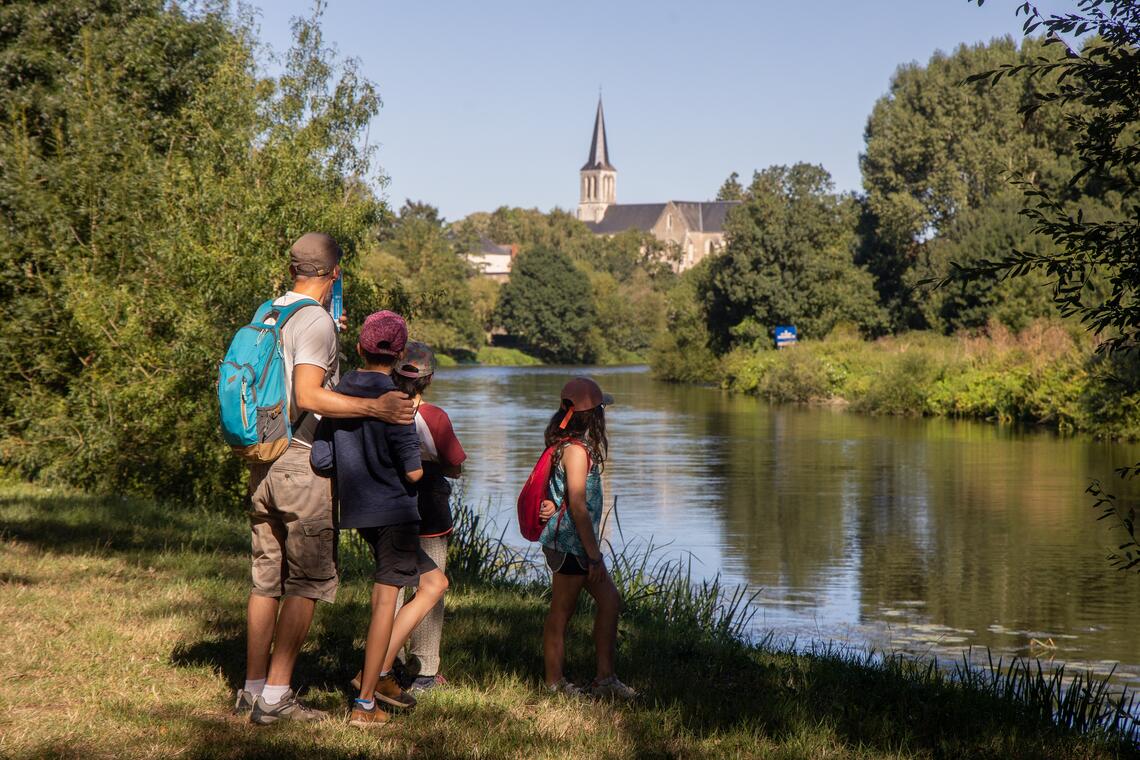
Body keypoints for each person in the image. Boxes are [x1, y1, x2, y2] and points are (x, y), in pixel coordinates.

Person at [239, 233, 415, 725]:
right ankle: (276, 697)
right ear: (334, 272)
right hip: (299, 463)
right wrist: (374, 405)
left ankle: (252, 690)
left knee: (265, 578)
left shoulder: (270, 310)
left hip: (263, 458)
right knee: (306, 580)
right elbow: (310, 395)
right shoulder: (313, 320)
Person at [309, 312, 449, 728]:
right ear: (399, 354)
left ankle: (382, 673)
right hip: (396, 513)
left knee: (434, 582)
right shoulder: (397, 401)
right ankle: (364, 702)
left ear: (359, 348)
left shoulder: (337, 394)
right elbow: (413, 473)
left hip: (360, 509)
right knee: (386, 604)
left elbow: (322, 457)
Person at [538, 377, 635, 699]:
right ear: (593, 415)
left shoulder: (568, 445)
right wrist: (594, 556)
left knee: (610, 602)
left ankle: (605, 680)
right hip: (570, 544)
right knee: (561, 612)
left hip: (575, 543)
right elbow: (578, 507)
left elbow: (560, 495)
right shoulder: (576, 452)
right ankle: (554, 684)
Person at [390, 342, 466, 692]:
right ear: (429, 378)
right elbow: (455, 467)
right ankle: (424, 669)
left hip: (389, 504)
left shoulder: (380, 409)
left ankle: (386, 662)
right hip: (430, 509)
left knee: (391, 584)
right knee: (429, 587)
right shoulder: (434, 416)